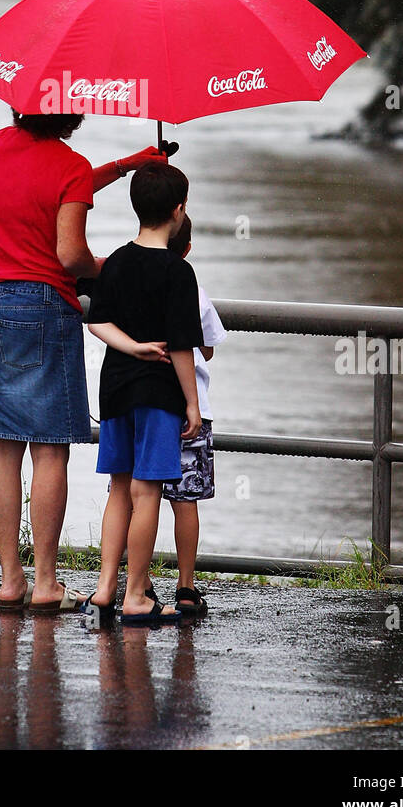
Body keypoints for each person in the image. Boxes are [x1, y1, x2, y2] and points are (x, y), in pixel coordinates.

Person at [0, 109, 168, 614]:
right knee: (50, 448)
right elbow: (70, 254)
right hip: (40, 306)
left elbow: (55, 185)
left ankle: (11, 579)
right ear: (70, 112)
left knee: (2, 447)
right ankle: (47, 581)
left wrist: (125, 166)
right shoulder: (69, 166)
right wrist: (112, 267)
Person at [86, 163, 203, 624]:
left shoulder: (115, 260)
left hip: (115, 387)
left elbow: (96, 321)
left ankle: (103, 588)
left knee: (119, 488)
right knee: (146, 489)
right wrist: (192, 403)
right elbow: (181, 346)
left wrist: (130, 346)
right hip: (157, 393)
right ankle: (136, 594)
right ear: (178, 211)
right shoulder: (178, 271)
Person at [162, 213, 225, 615]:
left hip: (142, 403)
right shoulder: (192, 287)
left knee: (135, 496)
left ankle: (138, 581)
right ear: (187, 249)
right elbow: (209, 347)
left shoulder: (134, 279)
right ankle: (185, 586)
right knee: (186, 501)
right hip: (190, 408)